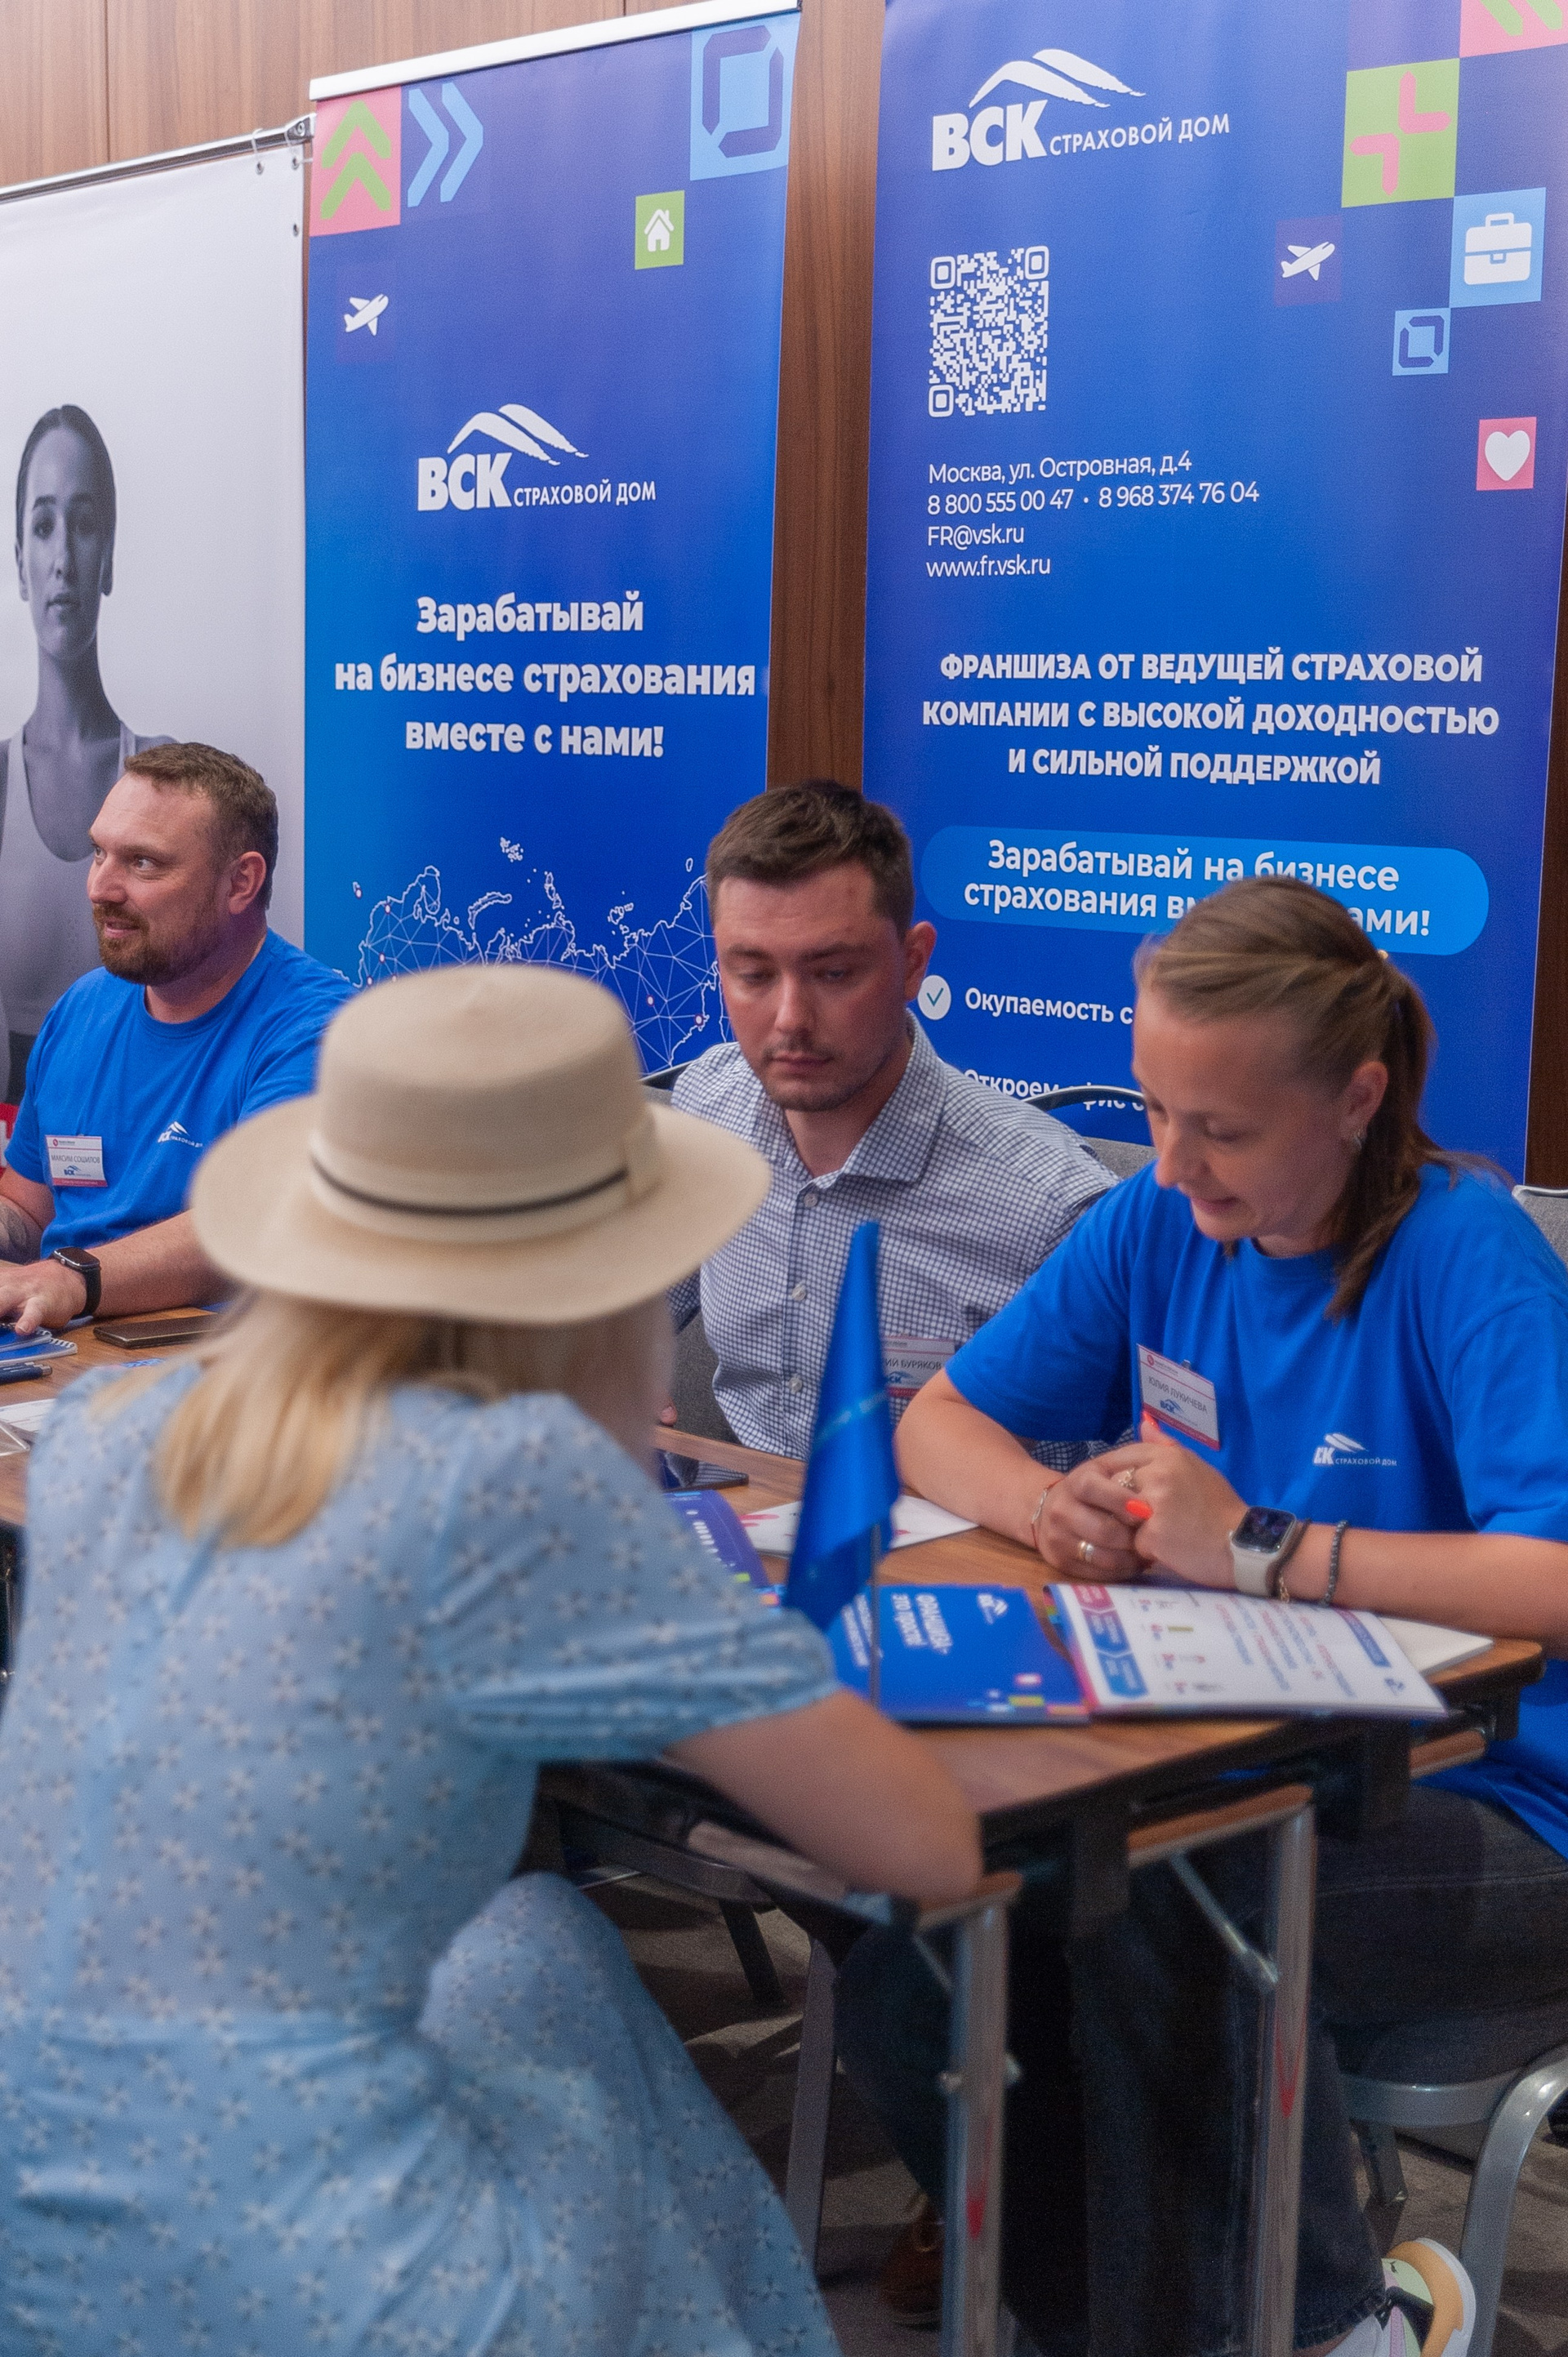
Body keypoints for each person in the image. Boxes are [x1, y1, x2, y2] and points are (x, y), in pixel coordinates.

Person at [0, 962, 981, 2357]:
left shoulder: (108, 1436)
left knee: (542, 1939)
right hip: (335, 2291)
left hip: (40, 2255)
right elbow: (927, 1844)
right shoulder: (517, 1490)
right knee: (583, 2042)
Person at [849, 874, 1568, 2357]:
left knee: (1178, 1894)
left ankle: (1332, 2333)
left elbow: (1553, 1577)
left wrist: (1260, 1545)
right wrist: (1045, 1507)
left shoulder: (1464, 1251)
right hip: (1239, 1752)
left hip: (1505, 1811)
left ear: (1359, 1099)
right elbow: (936, 1425)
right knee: (922, 1957)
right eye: (1158, 1111)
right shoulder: (1158, 1224)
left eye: (1224, 1129)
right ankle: (1121, 2323)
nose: (1176, 1162)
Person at [670, 782, 1112, 1453]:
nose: (789, 1020)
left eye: (833, 974)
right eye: (754, 975)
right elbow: (636, 1298)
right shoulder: (708, 1108)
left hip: (955, 1523)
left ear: (912, 964)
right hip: (735, 1510)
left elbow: (1132, 1481)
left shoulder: (1051, 1211)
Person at [0, 740, 349, 1331]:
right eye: (99, 853)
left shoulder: (317, 1030)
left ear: (241, 882)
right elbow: (27, 1209)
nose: (101, 888)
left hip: (217, 1358)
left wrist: (68, 1280)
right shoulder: (82, 1007)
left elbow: (252, 1224)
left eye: (143, 863)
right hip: (58, 1344)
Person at [0, 403, 172, 1101]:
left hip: (141, 1149)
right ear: (20, 563)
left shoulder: (165, 780)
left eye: (85, 523)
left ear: (109, 556)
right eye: (44, 526)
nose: (64, 559)